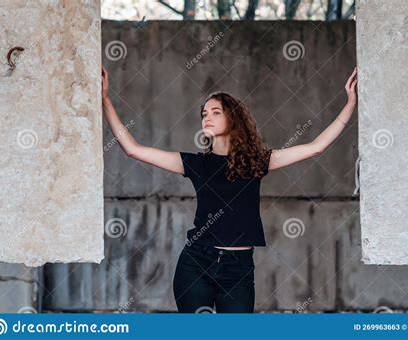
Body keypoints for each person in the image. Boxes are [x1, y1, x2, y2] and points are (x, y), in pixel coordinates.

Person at [101, 66, 358, 313]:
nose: (207, 117)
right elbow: (133, 149)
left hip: (238, 269)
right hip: (196, 263)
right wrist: (105, 99)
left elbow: (316, 146)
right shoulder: (196, 164)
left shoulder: (257, 162)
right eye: (204, 113)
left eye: (215, 112)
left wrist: (350, 104)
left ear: (232, 118)